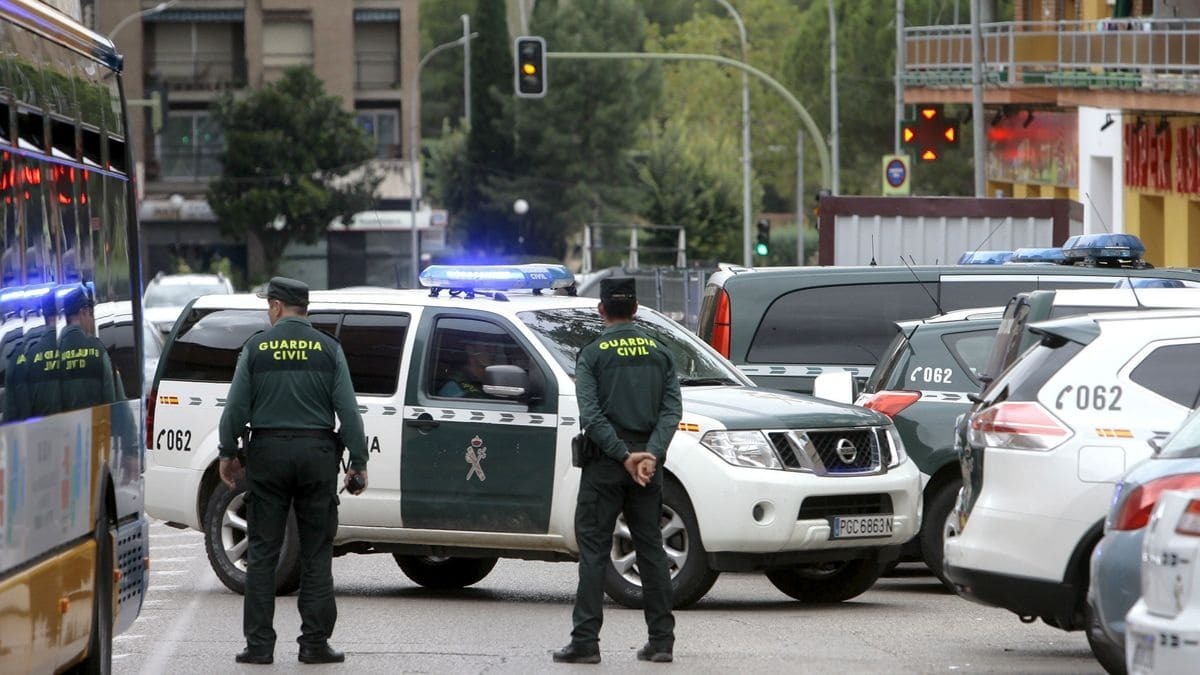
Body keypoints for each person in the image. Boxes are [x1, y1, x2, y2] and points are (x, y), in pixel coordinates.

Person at [216, 277, 368, 666]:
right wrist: (359, 462)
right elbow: (348, 412)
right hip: (317, 455)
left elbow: (235, 408)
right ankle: (314, 644)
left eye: (269, 305)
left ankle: (259, 646)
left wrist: (228, 452)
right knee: (317, 553)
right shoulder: (329, 349)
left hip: (268, 455)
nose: (268, 311)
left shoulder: (256, 348)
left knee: (264, 552)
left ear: (279, 307)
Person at [554, 277, 682, 665]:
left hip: (606, 467)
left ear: (601, 309)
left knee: (593, 552)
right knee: (651, 550)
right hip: (647, 467)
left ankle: (586, 642)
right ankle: (661, 641)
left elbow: (591, 416)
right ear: (637, 308)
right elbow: (671, 410)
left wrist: (623, 455)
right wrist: (650, 454)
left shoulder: (592, 354)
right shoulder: (660, 351)